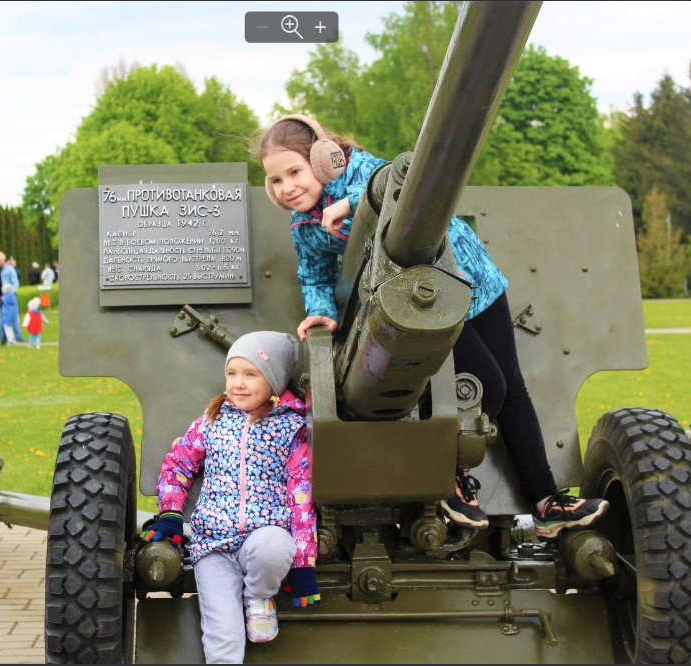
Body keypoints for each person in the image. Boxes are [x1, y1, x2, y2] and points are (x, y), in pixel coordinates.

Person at [258, 115, 608, 539]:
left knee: (511, 388)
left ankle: (546, 500)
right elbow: (313, 274)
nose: (287, 187)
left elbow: (397, 180)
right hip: (423, 299)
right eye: (275, 180)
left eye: (294, 171)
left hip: (473, 277)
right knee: (484, 388)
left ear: (323, 159)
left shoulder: (359, 170)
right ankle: (452, 479)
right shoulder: (304, 228)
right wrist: (321, 310)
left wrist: (349, 202)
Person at [143, 332, 317, 663]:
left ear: (274, 381)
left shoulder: (291, 429)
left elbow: (301, 497)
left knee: (275, 546)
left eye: (251, 374)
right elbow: (178, 466)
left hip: (261, 538)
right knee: (222, 633)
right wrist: (170, 515)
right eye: (232, 373)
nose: (238, 383)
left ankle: (258, 597)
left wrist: (303, 564)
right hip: (214, 549)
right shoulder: (212, 420)